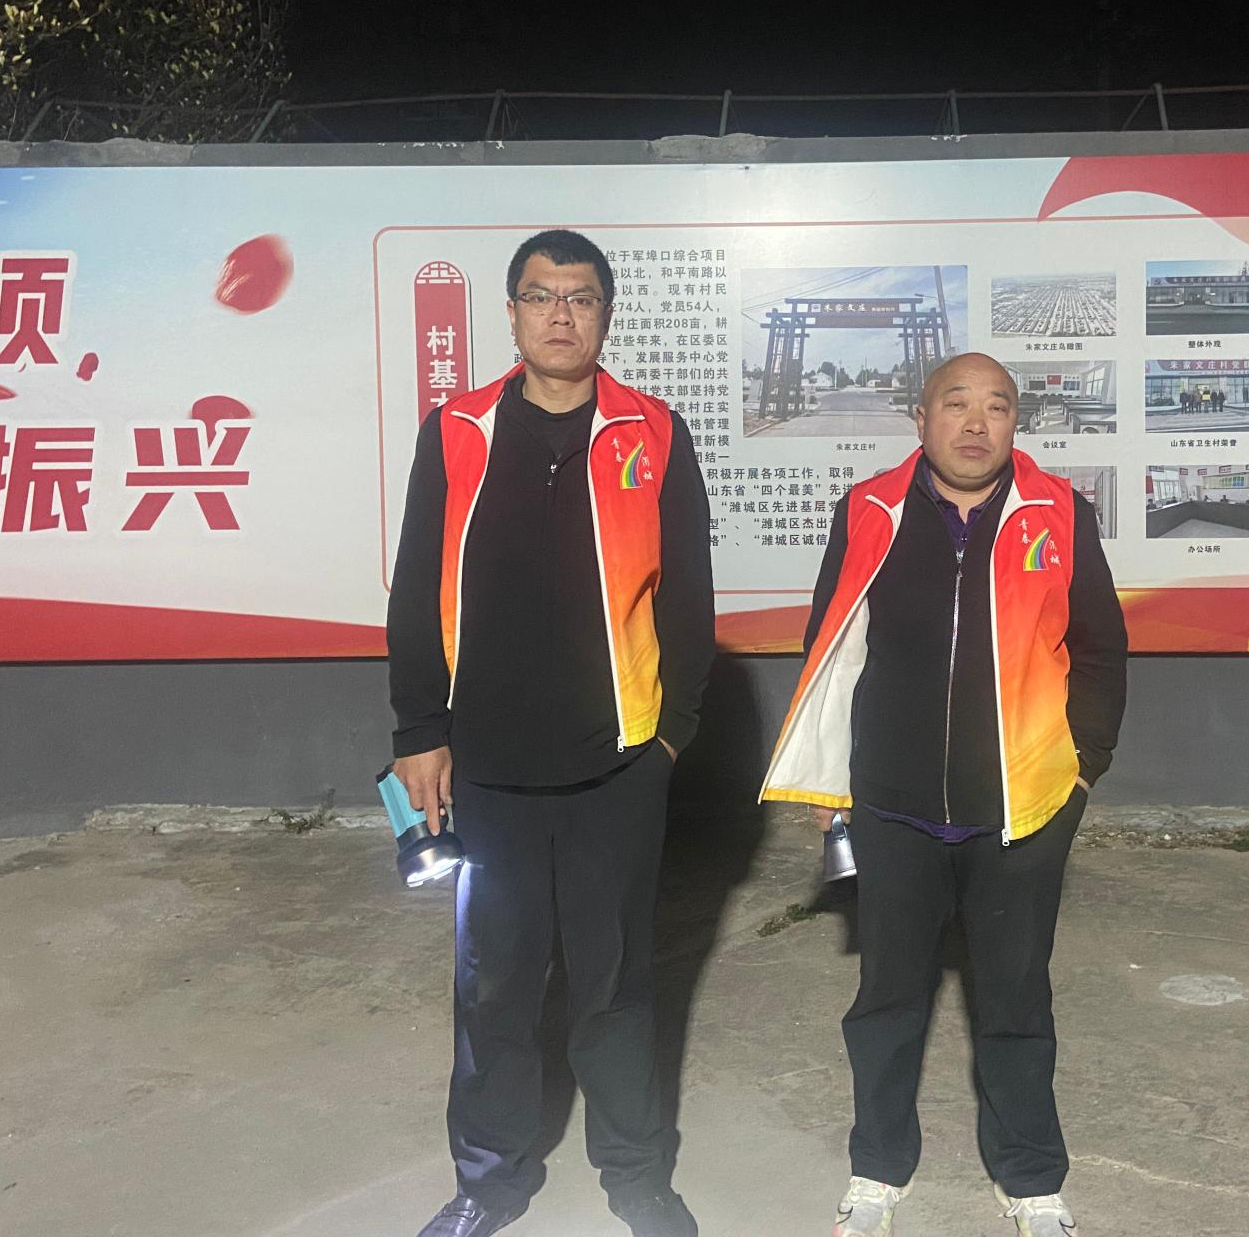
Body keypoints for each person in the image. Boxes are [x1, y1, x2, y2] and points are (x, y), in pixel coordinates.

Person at [388, 230, 714, 1237]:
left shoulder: (653, 433)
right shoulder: (458, 431)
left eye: (580, 297)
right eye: (541, 296)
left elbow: (689, 598)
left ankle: (637, 1178)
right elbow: (415, 585)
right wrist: (420, 729)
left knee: (615, 991)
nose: (561, 315)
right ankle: (488, 1182)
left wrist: (669, 739)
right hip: (486, 770)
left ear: (605, 315)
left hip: (617, 769)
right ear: (513, 313)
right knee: (494, 988)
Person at [759, 353, 1128, 1237]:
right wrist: (836, 779)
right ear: (920, 419)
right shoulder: (871, 509)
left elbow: (1100, 649)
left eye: (996, 407)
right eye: (956, 404)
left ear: (1015, 424)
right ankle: (878, 1167)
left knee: (1015, 1000)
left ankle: (1031, 1179)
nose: (975, 423)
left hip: (1023, 808)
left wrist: (1082, 769)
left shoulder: (1058, 513)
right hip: (891, 806)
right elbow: (833, 642)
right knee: (887, 1000)